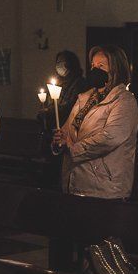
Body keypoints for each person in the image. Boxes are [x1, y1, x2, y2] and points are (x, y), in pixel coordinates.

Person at [53, 44, 138, 199]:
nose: (95, 70)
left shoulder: (124, 100)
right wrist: (60, 139)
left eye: (101, 66)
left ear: (116, 69)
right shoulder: (85, 98)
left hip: (104, 187)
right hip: (75, 181)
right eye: (93, 65)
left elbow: (110, 138)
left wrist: (73, 148)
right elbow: (68, 130)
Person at [40, 50, 87, 186]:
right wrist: (46, 110)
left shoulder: (79, 84)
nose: (60, 66)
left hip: (68, 133)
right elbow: (51, 103)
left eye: (63, 62)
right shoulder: (58, 83)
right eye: (58, 62)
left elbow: (71, 107)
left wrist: (50, 111)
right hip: (52, 133)